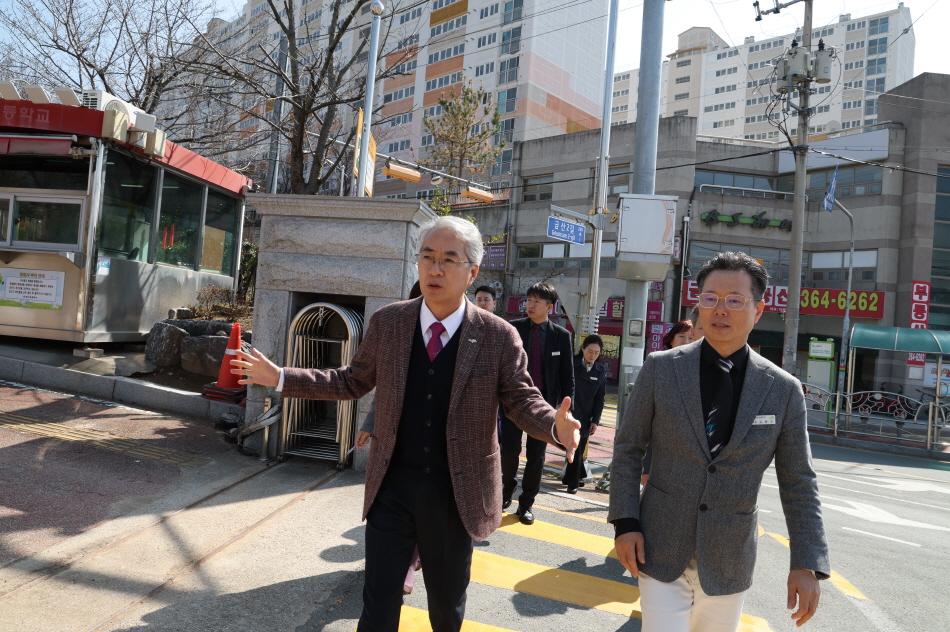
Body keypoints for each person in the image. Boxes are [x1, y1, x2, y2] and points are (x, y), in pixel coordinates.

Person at [231, 216, 581, 632]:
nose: (435, 269)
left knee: (446, 609)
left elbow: (521, 400)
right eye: (427, 257)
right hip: (392, 487)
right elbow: (351, 380)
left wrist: (556, 428)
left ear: (471, 272)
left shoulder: (498, 336)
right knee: (378, 606)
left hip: (457, 493)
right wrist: (282, 378)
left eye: (448, 260)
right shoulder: (390, 321)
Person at [609, 251, 829, 632]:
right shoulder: (661, 368)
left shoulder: (783, 390)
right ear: (699, 305)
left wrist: (806, 562)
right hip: (659, 544)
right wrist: (624, 522)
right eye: (710, 298)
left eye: (734, 300)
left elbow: (799, 481)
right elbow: (628, 448)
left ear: (758, 311)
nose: (720, 309)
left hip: (729, 556)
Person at [500, 282, 575, 526]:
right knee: (509, 449)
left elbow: (567, 377)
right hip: (514, 401)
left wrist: (565, 411)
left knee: (537, 456)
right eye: (528, 300)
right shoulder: (514, 329)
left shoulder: (561, 336)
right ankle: (506, 489)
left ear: (549, 307)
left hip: (545, 407)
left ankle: (527, 503)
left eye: (537, 301)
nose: (530, 305)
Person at [642, 319, 696, 487]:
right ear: (671, 338)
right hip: (656, 443)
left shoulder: (700, 370)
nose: (686, 341)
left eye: (691, 337)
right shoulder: (658, 364)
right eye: (681, 336)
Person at [562, 334, 606, 494]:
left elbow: (600, 398)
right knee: (574, 447)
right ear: (582, 348)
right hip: (570, 413)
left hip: (587, 417)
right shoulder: (571, 364)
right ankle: (572, 481)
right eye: (589, 351)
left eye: (596, 352)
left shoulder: (600, 371)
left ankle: (573, 478)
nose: (592, 355)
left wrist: (596, 420)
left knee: (579, 448)